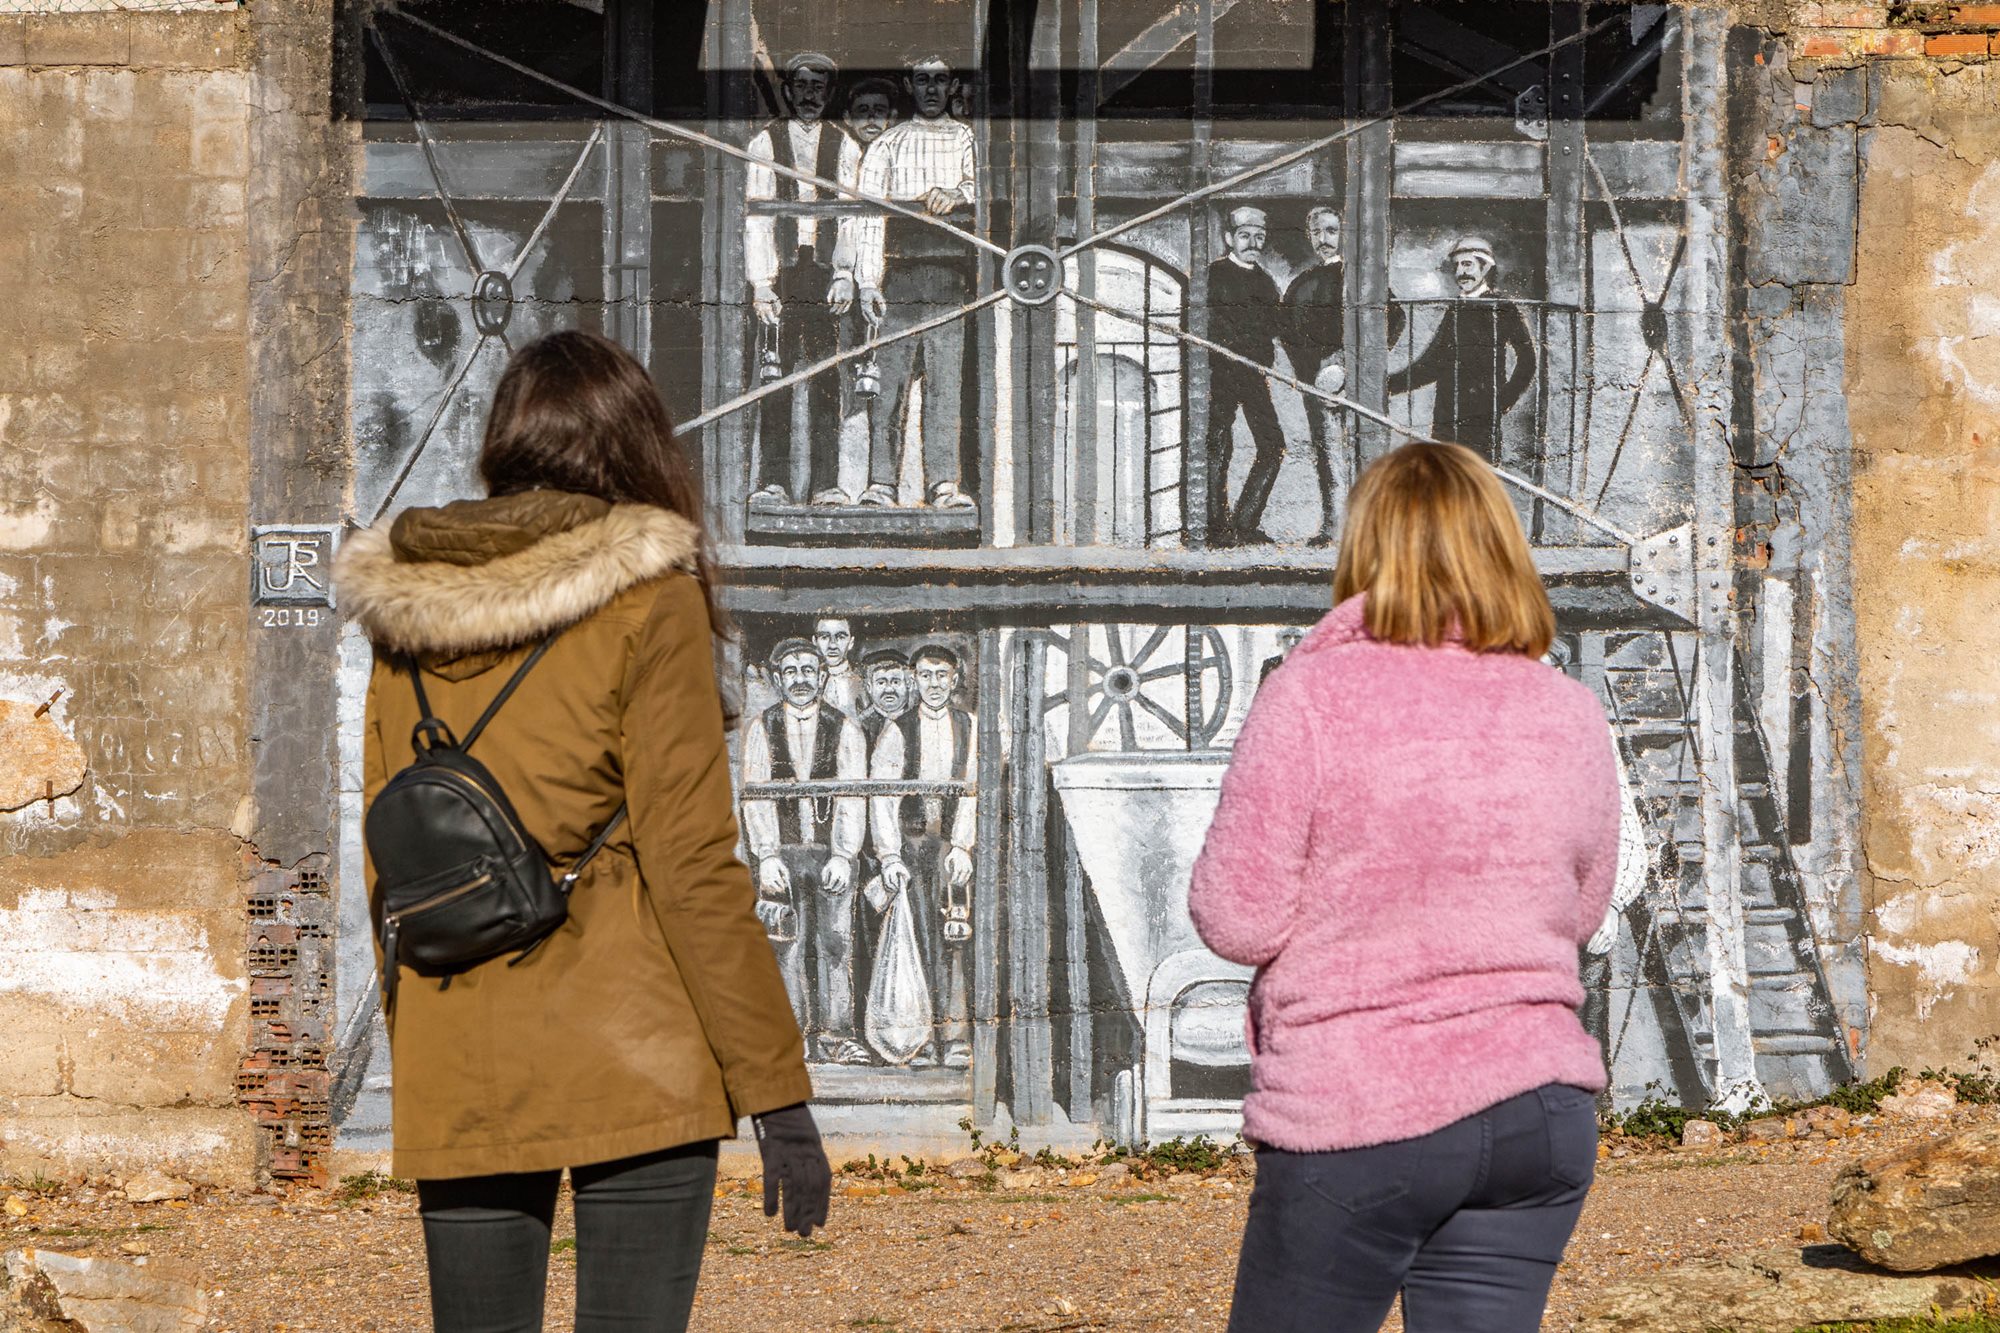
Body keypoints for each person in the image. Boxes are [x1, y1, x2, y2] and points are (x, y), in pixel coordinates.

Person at [337, 330, 830, 1332]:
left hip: (462, 1049)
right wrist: (776, 1092)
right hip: (634, 1042)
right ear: (635, 446)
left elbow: (393, 853)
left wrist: (421, 1038)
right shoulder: (651, 602)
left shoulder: (405, 614)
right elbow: (691, 864)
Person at [1188, 441, 1620, 1333]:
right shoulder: (1568, 708)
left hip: (1362, 1108)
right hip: (1539, 1109)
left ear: (1366, 550)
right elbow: (1579, 910)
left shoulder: (1310, 696)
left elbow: (1238, 918)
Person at [847, 52, 980, 512]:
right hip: (898, 280)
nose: (931, 89)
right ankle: (882, 483)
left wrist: (958, 193)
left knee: (945, 385)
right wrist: (868, 282)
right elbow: (867, 215)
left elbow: (983, 186)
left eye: (939, 81)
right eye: (922, 80)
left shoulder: (966, 139)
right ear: (910, 85)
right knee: (889, 385)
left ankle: (943, 484)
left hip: (950, 278)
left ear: (951, 86)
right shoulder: (888, 144)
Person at [739, 638, 872, 1066]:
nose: (801, 680)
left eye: (808, 671)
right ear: (778, 679)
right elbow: (755, 796)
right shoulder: (761, 728)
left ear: (822, 677)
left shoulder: (844, 728)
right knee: (786, 945)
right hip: (783, 858)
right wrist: (767, 855)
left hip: (830, 857)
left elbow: (853, 797)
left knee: (835, 944)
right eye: (792, 671)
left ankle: (837, 1037)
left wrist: (844, 854)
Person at [745, 52, 863, 507]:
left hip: (825, 275)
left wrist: (845, 273)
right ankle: (773, 482)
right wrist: (761, 282)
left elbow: (852, 215)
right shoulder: (765, 142)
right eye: (802, 86)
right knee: (774, 374)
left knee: (826, 378)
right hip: (782, 274)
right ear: (789, 91)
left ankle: (825, 484)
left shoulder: (845, 144)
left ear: (828, 93)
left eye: (818, 87)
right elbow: (757, 216)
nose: (810, 95)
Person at [868, 644, 978, 1069]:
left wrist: (963, 846)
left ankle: (955, 1038)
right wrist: (889, 856)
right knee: (914, 938)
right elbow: (883, 798)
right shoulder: (897, 730)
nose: (934, 684)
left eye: (942, 675)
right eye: (927, 675)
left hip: (949, 848)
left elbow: (972, 791)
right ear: (915, 679)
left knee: (954, 936)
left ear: (955, 679)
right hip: (910, 849)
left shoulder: (970, 726)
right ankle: (920, 1039)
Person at [1386, 236, 1538, 462]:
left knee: (1477, 475)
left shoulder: (1502, 307)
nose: (1460, 272)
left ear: (1485, 267)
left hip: (1482, 416)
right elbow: (1432, 363)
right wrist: (1389, 385)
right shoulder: (1455, 309)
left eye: (1467, 264)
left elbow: (1527, 360)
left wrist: (1503, 401)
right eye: (1457, 266)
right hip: (1446, 412)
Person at [1204, 205, 1287, 546]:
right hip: (1220, 375)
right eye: (1244, 236)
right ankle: (1215, 529)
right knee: (1217, 447)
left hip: (1254, 376)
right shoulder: (1212, 276)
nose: (1253, 243)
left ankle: (1245, 524)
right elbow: (1204, 325)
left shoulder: (1266, 283)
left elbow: (1273, 328)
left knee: (1273, 446)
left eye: (1259, 237)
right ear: (1229, 238)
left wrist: (1264, 359)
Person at [1282, 206, 1350, 546]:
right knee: (1326, 453)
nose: (1324, 239)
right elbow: (1287, 330)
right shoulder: (1301, 283)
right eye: (1317, 232)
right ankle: (1333, 526)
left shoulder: (1356, 277)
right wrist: (1308, 371)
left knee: (1355, 450)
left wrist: (1348, 364)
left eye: (1331, 231)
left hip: (1349, 379)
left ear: (1343, 233)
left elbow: (1392, 318)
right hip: (1315, 381)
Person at [856, 647, 914, 744]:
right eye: (881, 683)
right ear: (869, 687)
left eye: (895, 682)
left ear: (909, 684)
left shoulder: (918, 720)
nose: (889, 690)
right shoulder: (860, 725)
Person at [813, 616, 864, 718]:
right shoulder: (809, 679)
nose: (832, 645)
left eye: (841, 637)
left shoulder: (862, 681)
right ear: (815, 641)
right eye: (824, 637)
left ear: (851, 642)